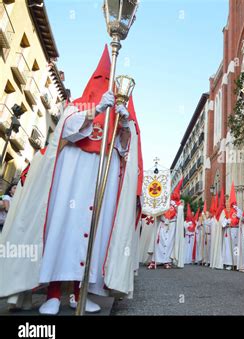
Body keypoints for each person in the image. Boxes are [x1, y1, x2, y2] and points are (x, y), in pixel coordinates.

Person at [0, 45, 142, 315]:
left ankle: (81, 292)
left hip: (103, 177)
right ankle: (53, 294)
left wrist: (124, 124)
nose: (101, 87)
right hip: (72, 179)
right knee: (63, 230)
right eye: (98, 81)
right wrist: (95, 110)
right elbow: (68, 130)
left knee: (94, 234)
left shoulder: (117, 112)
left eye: (105, 83)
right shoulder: (76, 106)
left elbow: (124, 150)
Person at [152, 178, 184, 269]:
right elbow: (159, 212)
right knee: (160, 242)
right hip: (163, 224)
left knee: (169, 242)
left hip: (172, 224)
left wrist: (179, 208)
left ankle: (167, 261)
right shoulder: (163, 201)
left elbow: (179, 215)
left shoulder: (178, 204)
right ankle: (157, 260)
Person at [221, 182, 240, 270]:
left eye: (229, 202)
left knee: (236, 247)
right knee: (228, 247)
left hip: (235, 230)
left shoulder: (236, 210)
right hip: (228, 230)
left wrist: (237, 209)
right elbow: (221, 221)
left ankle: (237, 262)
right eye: (226, 202)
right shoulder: (224, 211)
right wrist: (226, 221)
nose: (228, 204)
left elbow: (241, 217)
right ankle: (229, 263)